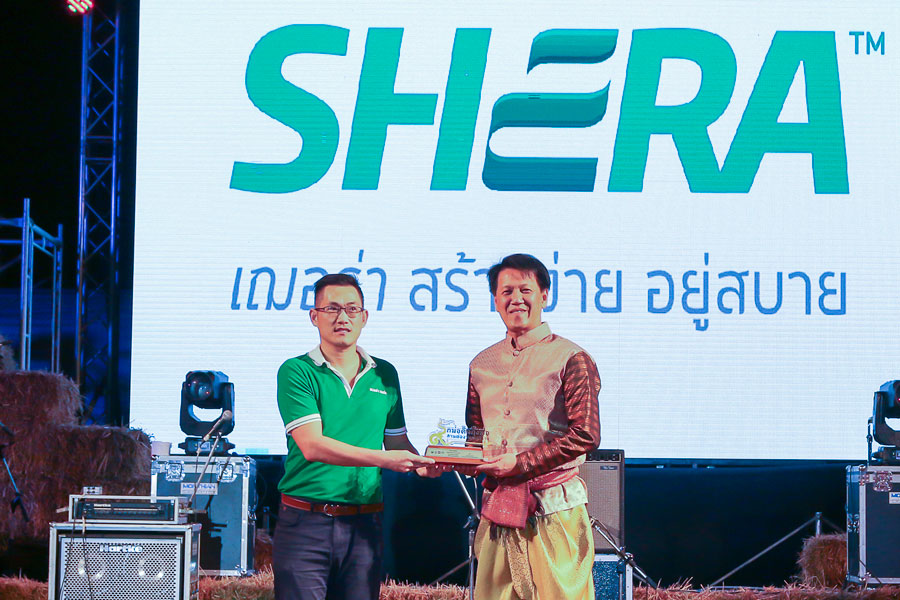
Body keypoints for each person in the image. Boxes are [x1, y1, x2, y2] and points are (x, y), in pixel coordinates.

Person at [273, 273, 434, 600]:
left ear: (364, 317)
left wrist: (427, 462)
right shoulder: (297, 371)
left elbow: (397, 442)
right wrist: (385, 460)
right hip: (305, 522)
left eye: (351, 309)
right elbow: (312, 445)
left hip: (364, 524)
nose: (342, 317)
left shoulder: (384, 374)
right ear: (314, 316)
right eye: (331, 308)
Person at [465, 253, 601, 599]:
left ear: (544, 295)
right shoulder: (481, 364)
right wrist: (452, 460)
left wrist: (520, 464)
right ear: (495, 299)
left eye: (525, 290)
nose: (516, 299)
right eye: (506, 291)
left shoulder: (572, 358)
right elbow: (475, 434)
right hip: (498, 509)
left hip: (554, 508)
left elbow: (586, 434)